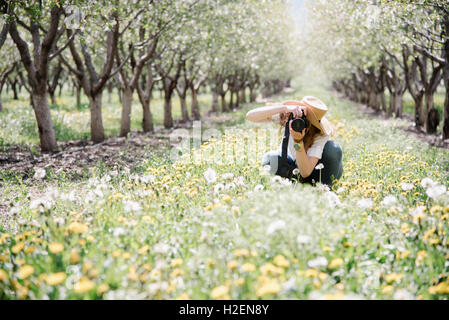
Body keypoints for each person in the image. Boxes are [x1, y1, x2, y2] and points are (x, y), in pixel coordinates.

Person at [245, 96, 343, 187]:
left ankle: (326, 189)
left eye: (307, 120)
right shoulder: (291, 117)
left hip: (316, 173)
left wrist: (298, 141)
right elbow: (250, 116)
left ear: (314, 124)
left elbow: (305, 172)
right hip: (290, 168)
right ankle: (284, 186)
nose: (300, 121)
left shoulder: (320, 134)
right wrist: (285, 109)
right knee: (271, 157)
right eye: (302, 116)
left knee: (333, 148)